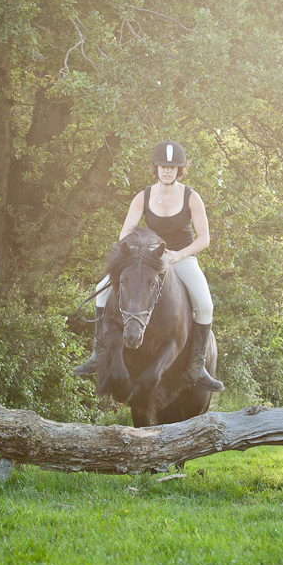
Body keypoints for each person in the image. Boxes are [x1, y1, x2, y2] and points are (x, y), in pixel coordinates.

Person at [73, 140, 224, 392]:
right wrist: (137, 254)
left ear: (179, 170)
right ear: (156, 168)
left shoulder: (191, 197)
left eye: (172, 167)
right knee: (102, 290)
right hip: (146, 261)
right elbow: (125, 234)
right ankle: (98, 353)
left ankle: (197, 367)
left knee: (206, 306)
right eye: (163, 167)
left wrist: (179, 255)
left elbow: (204, 239)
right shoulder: (142, 196)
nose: (167, 171)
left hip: (182, 258)